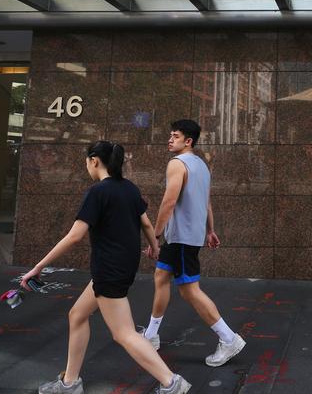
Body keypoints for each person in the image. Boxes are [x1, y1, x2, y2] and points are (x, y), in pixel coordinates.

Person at [20, 141, 191, 394]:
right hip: (121, 266)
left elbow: (75, 235)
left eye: (86, 162)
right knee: (77, 316)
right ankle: (70, 382)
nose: (86, 166)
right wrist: (154, 246)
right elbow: (145, 223)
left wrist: (38, 266)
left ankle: (172, 383)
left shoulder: (98, 192)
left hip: (108, 270)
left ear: (94, 161)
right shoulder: (129, 189)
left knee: (124, 333)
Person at [141, 119, 246, 367]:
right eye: (170, 134)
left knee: (190, 290)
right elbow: (205, 200)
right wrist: (211, 230)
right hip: (186, 236)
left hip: (181, 238)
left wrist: (154, 235)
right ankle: (151, 335)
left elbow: (168, 202)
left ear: (188, 141)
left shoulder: (177, 164)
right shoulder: (201, 165)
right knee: (160, 275)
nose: (170, 139)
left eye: (175, 136)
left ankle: (229, 338)